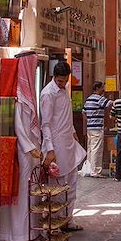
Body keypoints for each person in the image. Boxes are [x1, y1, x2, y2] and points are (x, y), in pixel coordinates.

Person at [0, 54, 40, 241]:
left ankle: (29, 232)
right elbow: (18, 126)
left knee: (28, 193)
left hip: (30, 153)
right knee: (20, 194)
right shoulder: (17, 94)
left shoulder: (28, 93)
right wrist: (30, 147)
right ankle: (17, 235)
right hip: (21, 152)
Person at [39, 61, 87, 232]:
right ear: (54, 77)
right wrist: (50, 149)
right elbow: (46, 124)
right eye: (59, 81)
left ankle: (68, 219)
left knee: (71, 184)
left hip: (68, 141)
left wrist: (74, 132)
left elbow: (65, 116)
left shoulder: (65, 90)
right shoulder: (48, 94)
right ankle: (54, 223)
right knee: (57, 186)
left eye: (64, 81)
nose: (61, 84)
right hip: (56, 145)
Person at [82, 81, 113, 177]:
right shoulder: (99, 99)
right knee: (97, 149)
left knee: (90, 148)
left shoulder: (88, 99)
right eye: (102, 88)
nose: (103, 90)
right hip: (97, 127)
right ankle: (95, 171)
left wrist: (88, 121)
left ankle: (90, 169)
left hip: (90, 128)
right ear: (97, 88)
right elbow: (109, 104)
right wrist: (113, 100)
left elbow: (83, 112)